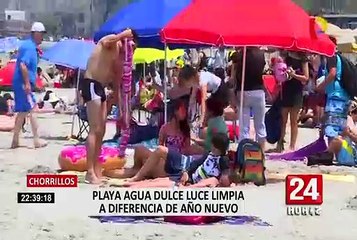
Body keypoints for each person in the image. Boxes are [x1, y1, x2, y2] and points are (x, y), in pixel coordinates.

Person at [80, 29, 138, 184]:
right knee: (94, 129)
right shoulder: (112, 41)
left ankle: (97, 168)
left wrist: (122, 111)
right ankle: (89, 171)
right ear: (127, 39)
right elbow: (105, 42)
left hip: (101, 88)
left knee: (102, 130)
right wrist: (122, 35)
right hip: (91, 83)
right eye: (132, 46)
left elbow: (118, 84)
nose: (132, 51)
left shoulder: (121, 57)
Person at [104, 99, 191, 179]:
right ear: (175, 111)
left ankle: (137, 173)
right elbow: (160, 146)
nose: (185, 112)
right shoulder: (165, 128)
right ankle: (137, 170)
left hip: (173, 164)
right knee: (139, 149)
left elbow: (186, 150)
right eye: (182, 109)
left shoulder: (185, 130)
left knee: (141, 162)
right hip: (164, 159)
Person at [125, 133, 231, 186]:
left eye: (213, 146)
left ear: (216, 147)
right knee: (155, 180)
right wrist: (187, 172)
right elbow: (196, 163)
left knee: (156, 182)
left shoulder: (223, 160)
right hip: (186, 172)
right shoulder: (210, 154)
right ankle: (133, 181)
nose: (211, 148)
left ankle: (133, 182)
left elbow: (224, 176)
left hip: (187, 177)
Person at [11, 22, 47, 149]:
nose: (43, 37)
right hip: (22, 83)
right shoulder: (29, 47)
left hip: (20, 82)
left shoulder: (29, 46)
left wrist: (33, 83)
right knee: (32, 109)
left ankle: (15, 140)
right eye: (41, 34)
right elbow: (23, 65)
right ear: (36, 34)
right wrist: (27, 83)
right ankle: (36, 140)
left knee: (23, 111)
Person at [233, 47, 267, 150]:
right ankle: (262, 154)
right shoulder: (260, 55)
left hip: (243, 91)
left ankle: (245, 153)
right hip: (258, 91)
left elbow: (234, 77)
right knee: (260, 124)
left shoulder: (238, 55)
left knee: (244, 127)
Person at [316, 39, 350, 141]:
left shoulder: (332, 57)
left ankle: (333, 152)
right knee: (339, 127)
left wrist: (321, 86)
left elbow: (332, 73)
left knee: (332, 128)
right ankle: (339, 153)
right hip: (342, 94)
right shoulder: (340, 58)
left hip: (335, 96)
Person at [277, 51, 309, 152]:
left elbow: (306, 78)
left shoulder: (303, 59)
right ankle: (280, 143)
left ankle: (292, 146)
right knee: (283, 120)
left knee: (293, 121)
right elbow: (279, 73)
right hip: (286, 89)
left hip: (296, 91)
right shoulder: (286, 57)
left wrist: (293, 74)